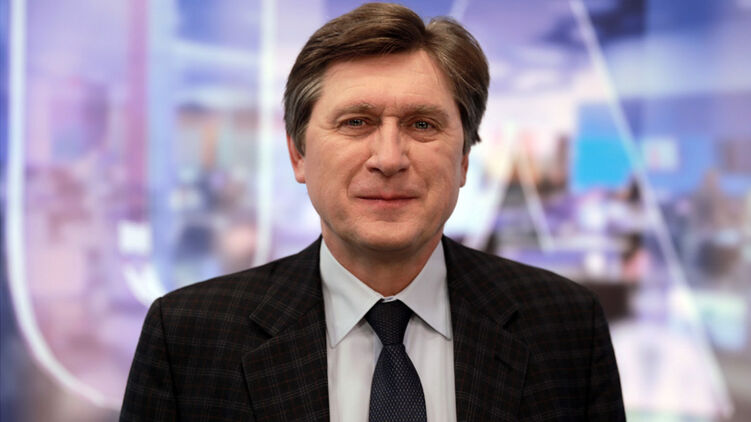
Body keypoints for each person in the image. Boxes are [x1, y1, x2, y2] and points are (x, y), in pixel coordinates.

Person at [121, 3, 625, 421]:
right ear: (298, 154)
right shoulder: (187, 337)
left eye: (423, 125)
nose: (388, 158)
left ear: (464, 159)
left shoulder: (565, 328)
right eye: (356, 122)